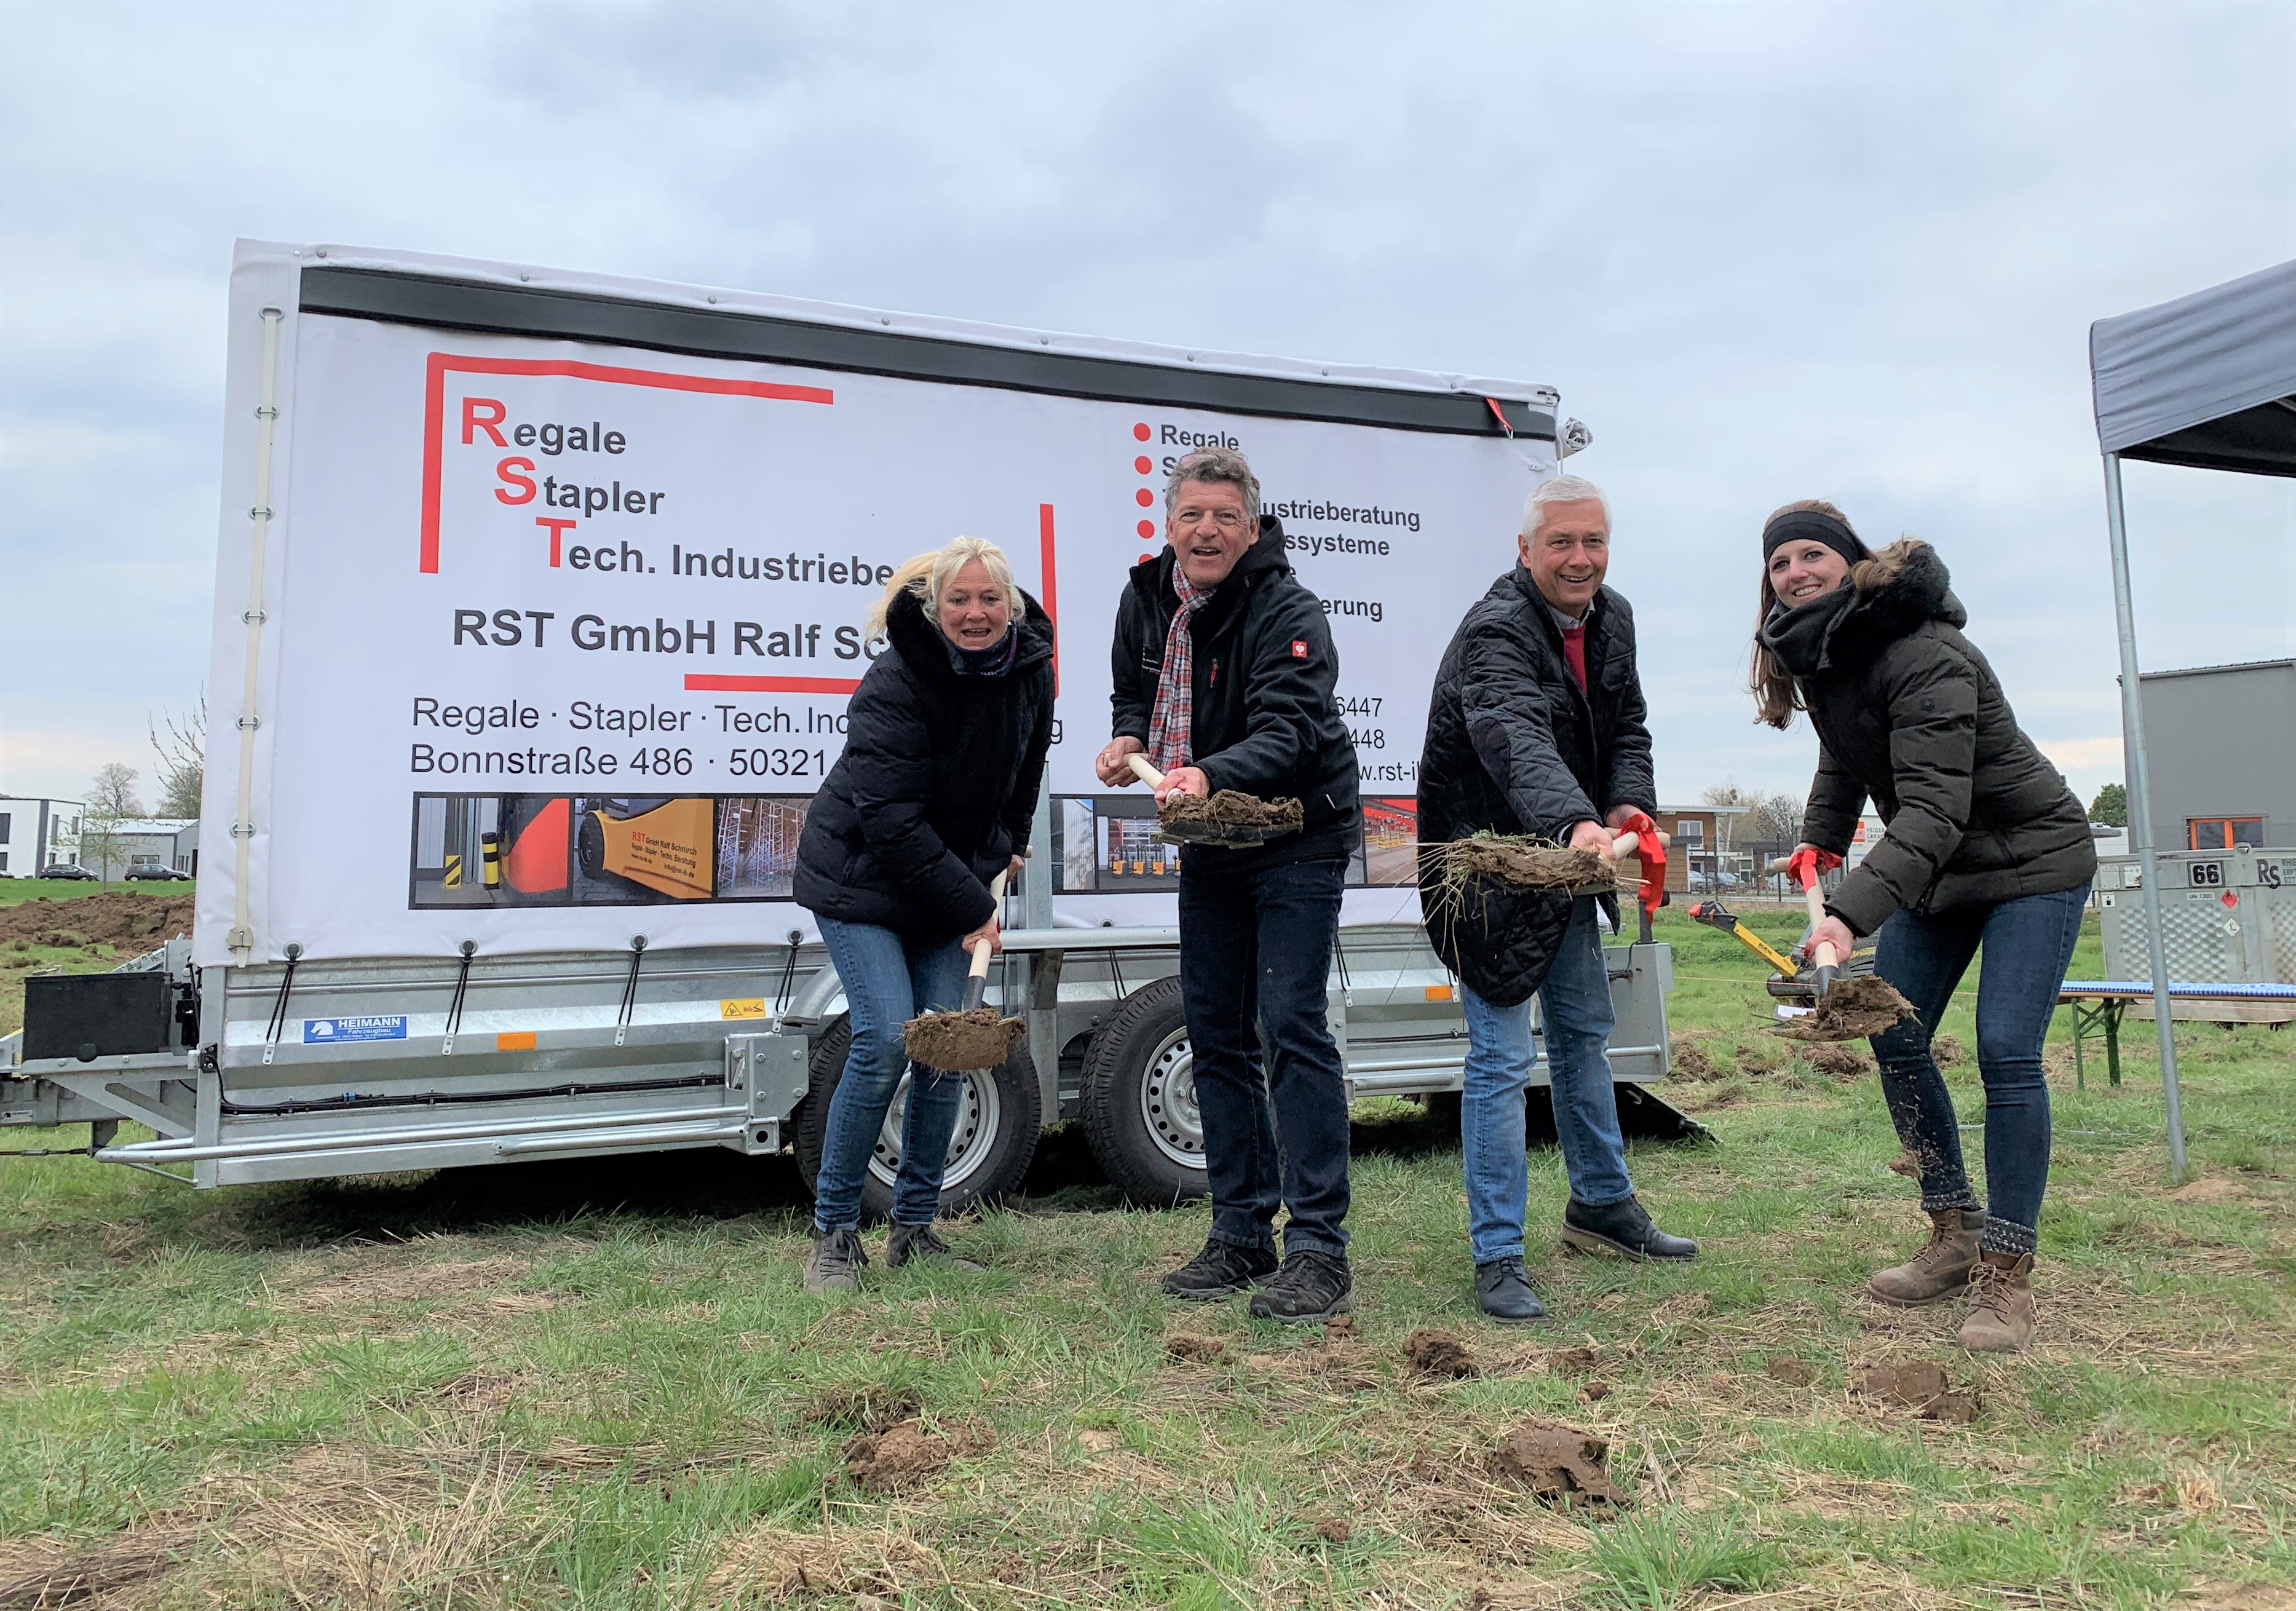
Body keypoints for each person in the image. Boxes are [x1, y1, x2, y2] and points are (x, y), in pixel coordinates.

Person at [1751, 501, 2096, 1352]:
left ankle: (2005, 1275)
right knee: (1894, 1035)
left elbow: (1936, 811)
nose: (1796, 572)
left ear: (1849, 562)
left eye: (1811, 556)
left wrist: (1845, 916)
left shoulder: (1922, 649)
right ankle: (1954, 1229)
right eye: (1780, 562)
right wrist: (1819, 842)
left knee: (2005, 1050)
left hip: (2030, 864)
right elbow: (1845, 754)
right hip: (1941, 877)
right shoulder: (1833, 650)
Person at [1417, 474, 1697, 1324]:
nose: (1580, 560)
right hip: (1489, 866)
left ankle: (1601, 1207)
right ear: (1524, 551)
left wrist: (1621, 804)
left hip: (1568, 855)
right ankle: (1498, 1253)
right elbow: (1512, 738)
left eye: (1594, 542)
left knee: (1584, 1032)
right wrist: (1576, 821)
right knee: (1501, 1058)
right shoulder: (1494, 633)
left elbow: (1625, 728)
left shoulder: (1611, 618)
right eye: (1561, 544)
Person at [1095, 447, 1361, 1323]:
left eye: (1223, 518)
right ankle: (1241, 1232)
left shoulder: (1286, 608)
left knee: (1289, 1024)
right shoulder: (1147, 600)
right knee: (1212, 1030)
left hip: (1297, 832)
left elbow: (1289, 731)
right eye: (1189, 516)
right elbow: (1131, 690)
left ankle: (1318, 1249)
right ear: (1166, 525)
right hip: (1211, 839)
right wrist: (1126, 739)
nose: (1204, 530)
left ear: (1250, 529)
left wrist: (1207, 771)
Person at [793, 536, 1055, 1292]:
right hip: (862, 880)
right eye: (959, 601)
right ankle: (834, 1236)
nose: (975, 614)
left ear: (1010, 606)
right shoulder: (895, 682)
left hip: (948, 880)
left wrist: (1010, 841)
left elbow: (1026, 763)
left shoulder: (1029, 671)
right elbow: (889, 822)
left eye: (988, 600)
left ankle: (914, 1230)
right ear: (933, 609)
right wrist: (975, 908)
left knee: (948, 1045)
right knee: (882, 1039)